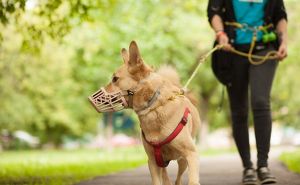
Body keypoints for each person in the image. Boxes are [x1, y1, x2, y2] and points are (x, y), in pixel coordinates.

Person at [207, 0, 287, 184]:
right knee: (239, 110)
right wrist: (220, 34)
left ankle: (263, 165)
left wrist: (283, 41)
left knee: (260, 102)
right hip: (232, 49)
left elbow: (280, 16)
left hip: (265, 48)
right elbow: (214, 12)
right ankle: (248, 167)